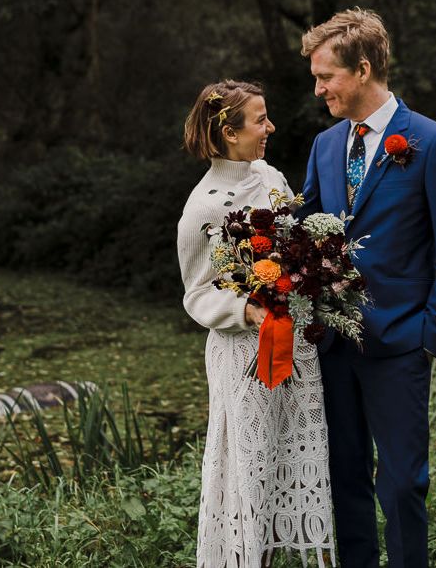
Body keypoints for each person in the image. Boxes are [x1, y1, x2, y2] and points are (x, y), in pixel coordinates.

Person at [298, 9, 436, 567]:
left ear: (364, 68)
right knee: (344, 477)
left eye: (327, 77)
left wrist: (431, 333)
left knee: (401, 484)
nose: (319, 88)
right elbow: (307, 233)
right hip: (334, 343)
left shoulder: (433, 143)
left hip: (400, 342)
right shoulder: (325, 145)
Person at [177, 80, 335, 568]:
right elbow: (197, 293)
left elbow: (295, 243)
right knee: (251, 466)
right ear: (228, 132)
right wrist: (245, 309)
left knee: (294, 454)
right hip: (243, 356)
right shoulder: (201, 207)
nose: (270, 127)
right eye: (260, 120)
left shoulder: (271, 177)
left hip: (294, 344)